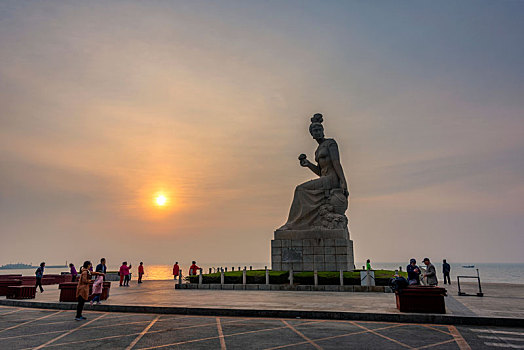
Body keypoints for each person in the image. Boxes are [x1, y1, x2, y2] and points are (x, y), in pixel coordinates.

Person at [278, 114, 349, 231]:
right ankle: (299, 223)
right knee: (301, 190)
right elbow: (321, 172)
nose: (317, 132)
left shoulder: (330, 143)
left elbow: (336, 163)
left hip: (332, 179)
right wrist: (308, 165)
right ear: (311, 134)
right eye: (314, 130)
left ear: (323, 131)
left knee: (300, 189)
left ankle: (293, 224)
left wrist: (343, 182)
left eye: (319, 130)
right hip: (325, 179)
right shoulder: (317, 150)